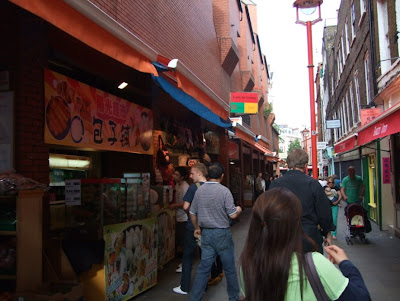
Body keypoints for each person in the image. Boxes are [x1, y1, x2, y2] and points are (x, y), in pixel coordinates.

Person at [239, 187, 371, 300]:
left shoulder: (246, 265)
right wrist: (345, 263)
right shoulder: (316, 265)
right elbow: (362, 297)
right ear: (295, 224)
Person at [189, 162, 242, 301]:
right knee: (229, 268)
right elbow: (232, 215)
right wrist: (239, 209)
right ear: (222, 176)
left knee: (203, 269)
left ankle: (194, 298)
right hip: (222, 234)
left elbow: (192, 212)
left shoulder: (199, 191)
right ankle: (234, 298)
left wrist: (197, 228)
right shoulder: (224, 191)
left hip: (206, 234)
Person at [269, 148, 335, 253]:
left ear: (288, 165)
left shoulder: (275, 185)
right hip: (309, 237)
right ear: (305, 165)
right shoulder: (313, 184)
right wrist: (327, 232)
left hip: (282, 237)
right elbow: (324, 212)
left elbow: (269, 211)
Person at [173, 163, 207, 295]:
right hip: (207, 226)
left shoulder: (194, 188)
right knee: (205, 257)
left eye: (192, 173)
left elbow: (186, 206)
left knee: (187, 257)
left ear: (199, 173)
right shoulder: (212, 186)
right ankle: (204, 288)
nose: (191, 176)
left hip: (192, 226)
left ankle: (184, 287)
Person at [169, 167, 189, 258]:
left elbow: (186, 203)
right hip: (177, 216)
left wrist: (174, 206)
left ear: (182, 177)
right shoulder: (177, 186)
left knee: (182, 239)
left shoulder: (185, 187)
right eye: (174, 174)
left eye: (177, 175)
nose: (174, 176)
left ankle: (184, 259)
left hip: (184, 217)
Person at [325, 176, 343, 240]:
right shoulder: (324, 188)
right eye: (329, 182)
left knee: (334, 218)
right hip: (327, 206)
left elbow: (340, 195)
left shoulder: (336, 188)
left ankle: (334, 233)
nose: (331, 184)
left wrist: (337, 201)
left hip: (334, 205)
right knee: (327, 219)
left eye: (332, 182)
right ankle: (327, 232)